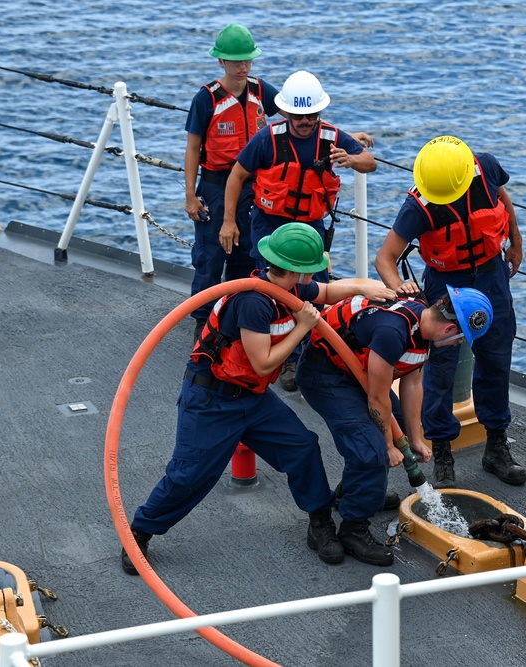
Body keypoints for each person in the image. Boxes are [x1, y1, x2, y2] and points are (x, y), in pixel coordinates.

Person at [122, 223, 397, 575]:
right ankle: (140, 532)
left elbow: (326, 292)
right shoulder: (253, 302)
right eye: (313, 265)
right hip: (212, 401)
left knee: (302, 448)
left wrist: (361, 286)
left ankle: (320, 519)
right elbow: (264, 361)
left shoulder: (291, 287)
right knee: (188, 476)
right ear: (297, 270)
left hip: (253, 398)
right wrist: (302, 326)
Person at [296, 287, 493, 566]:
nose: (457, 345)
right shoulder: (393, 330)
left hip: (360, 374)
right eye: (460, 340)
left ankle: (351, 492)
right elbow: (377, 398)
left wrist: (414, 438)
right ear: (450, 328)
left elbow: (412, 381)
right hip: (328, 376)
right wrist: (388, 446)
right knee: (372, 450)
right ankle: (354, 528)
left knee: (386, 433)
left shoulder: (423, 324)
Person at [375, 136, 524, 489]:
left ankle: (496, 445)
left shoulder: (484, 165)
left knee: (497, 357)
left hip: (492, 275)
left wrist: (515, 240)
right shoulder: (419, 204)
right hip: (448, 284)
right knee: (441, 368)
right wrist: (399, 286)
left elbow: (501, 195)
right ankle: (442, 451)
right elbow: (385, 258)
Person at [221, 70, 377, 391]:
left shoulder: (332, 138)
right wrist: (228, 221)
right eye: (299, 115)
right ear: (288, 113)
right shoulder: (268, 138)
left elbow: (369, 162)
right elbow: (237, 176)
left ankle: (310, 356)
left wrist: (351, 158)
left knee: (313, 292)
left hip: (310, 227)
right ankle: (283, 357)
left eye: (311, 115)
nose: (305, 121)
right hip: (271, 226)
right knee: (275, 292)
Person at [184, 24, 280, 338]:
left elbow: (296, 115)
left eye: (247, 60)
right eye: (235, 61)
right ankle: (202, 319)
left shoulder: (261, 90)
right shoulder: (206, 99)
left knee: (246, 252)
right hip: (215, 185)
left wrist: (341, 138)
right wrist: (190, 195)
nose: (242, 67)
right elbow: (193, 147)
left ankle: (237, 315)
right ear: (221, 62)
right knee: (210, 255)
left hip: (252, 185)